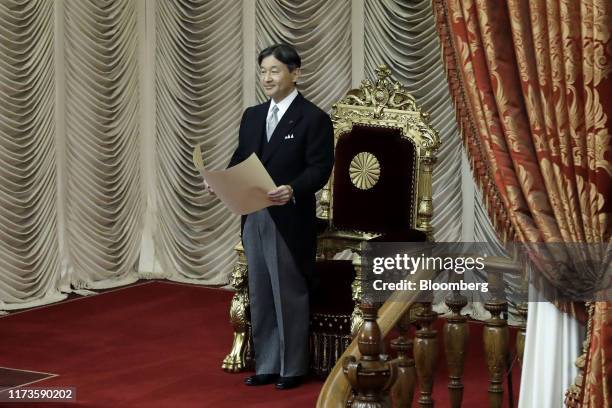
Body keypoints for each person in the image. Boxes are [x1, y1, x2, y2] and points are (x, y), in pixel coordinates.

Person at [211, 44, 334, 390]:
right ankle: (266, 364)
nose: (267, 77)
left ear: (296, 73)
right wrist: (220, 183)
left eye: (274, 70)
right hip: (252, 214)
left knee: (288, 292)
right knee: (261, 291)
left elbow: (320, 169)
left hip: (289, 216)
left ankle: (292, 368)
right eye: (263, 71)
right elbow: (239, 160)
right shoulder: (252, 115)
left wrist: (293, 189)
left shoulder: (314, 118)